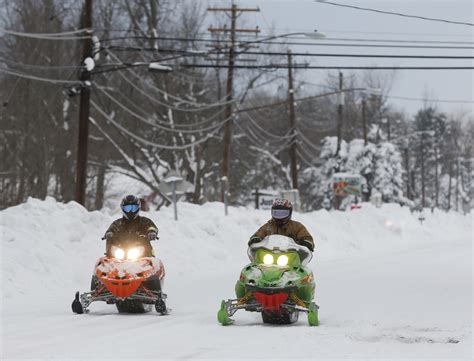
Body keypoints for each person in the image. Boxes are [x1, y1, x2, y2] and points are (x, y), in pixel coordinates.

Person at [249, 198, 314, 252]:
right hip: (269, 255)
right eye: (276, 213)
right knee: (255, 266)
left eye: (283, 213)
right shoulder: (268, 227)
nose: (279, 217)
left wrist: (307, 243)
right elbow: (258, 234)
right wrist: (255, 239)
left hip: (291, 255)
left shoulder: (297, 226)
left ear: (290, 213)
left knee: (301, 267)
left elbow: (307, 237)